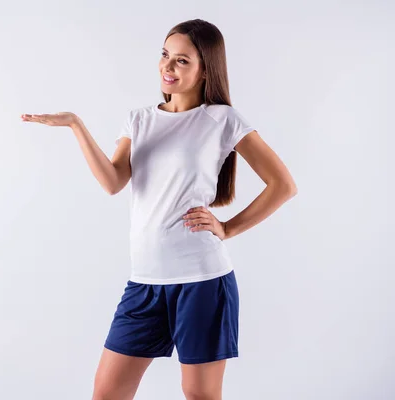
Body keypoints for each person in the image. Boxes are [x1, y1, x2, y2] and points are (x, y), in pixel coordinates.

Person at [21, 18, 297, 400]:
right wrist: (76, 127)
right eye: (165, 55)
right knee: (107, 393)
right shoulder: (139, 120)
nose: (168, 67)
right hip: (145, 283)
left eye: (182, 61)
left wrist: (228, 228)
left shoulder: (222, 120)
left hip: (202, 281)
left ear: (205, 70)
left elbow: (283, 185)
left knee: (199, 395)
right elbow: (113, 182)